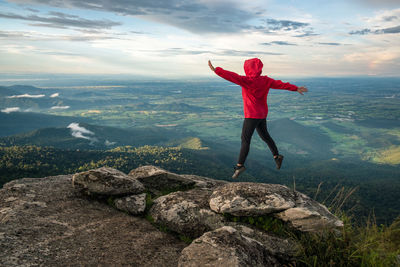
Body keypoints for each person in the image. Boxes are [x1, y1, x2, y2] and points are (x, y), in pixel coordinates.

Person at [208, 58, 308, 178]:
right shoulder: (266, 80)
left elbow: (231, 76)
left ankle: (240, 166)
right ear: (259, 68)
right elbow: (280, 84)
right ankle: (277, 156)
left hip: (251, 115)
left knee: (245, 140)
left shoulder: (246, 80)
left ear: (247, 68)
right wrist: (295, 88)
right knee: (265, 136)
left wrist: (216, 70)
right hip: (262, 114)